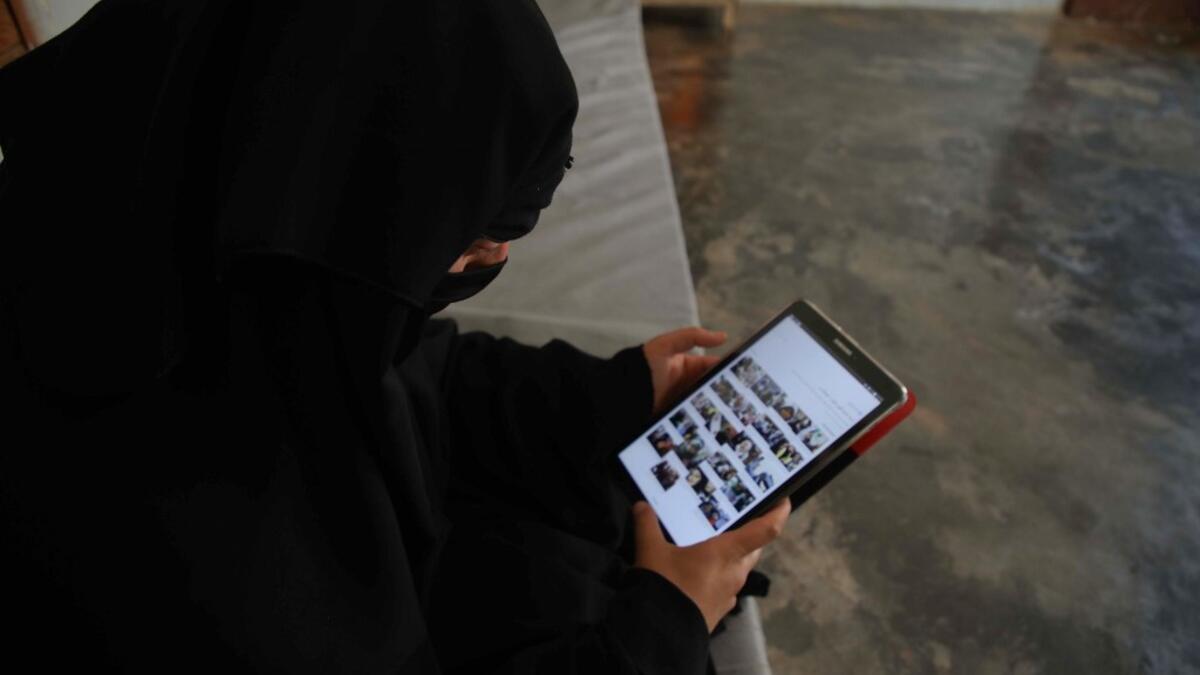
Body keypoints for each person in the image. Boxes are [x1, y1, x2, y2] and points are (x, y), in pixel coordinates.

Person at [0, 1, 789, 673]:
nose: (497, 259)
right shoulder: (215, 568)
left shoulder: (189, 228)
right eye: (470, 239)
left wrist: (614, 393)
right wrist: (666, 619)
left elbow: (405, 372)